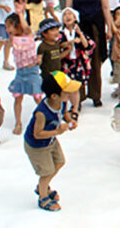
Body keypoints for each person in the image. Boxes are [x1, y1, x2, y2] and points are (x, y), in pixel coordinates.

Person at [23, 71, 79, 212]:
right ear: (54, 95)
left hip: (50, 141)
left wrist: (70, 120)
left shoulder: (61, 102)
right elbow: (38, 133)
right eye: (67, 92)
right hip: (37, 146)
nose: (70, 95)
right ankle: (43, 197)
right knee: (47, 172)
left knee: (60, 162)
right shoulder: (42, 113)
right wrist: (57, 132)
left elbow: (64, 114)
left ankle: (42, 185)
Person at [66, 0, 113, 109]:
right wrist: (69, 30)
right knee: (77, 63)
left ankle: (95, 95)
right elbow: (68, 10)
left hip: (96, 28)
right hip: (78, 29)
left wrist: (109, 27)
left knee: (95, 63)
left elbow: (105, 7)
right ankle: (78, 97)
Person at [6, 11, 44, 135]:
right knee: (18, 98)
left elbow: (27, 29)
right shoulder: (13, 40)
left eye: (9, 26)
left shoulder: (29, 36)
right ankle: (18, 122)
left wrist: (21, 14)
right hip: (20, 72)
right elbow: (7, 47)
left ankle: (46, 118)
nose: (7, 29)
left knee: (37, 97)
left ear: (18, 25)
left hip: (32, 71)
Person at [59, 7, 95, 119]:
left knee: (75, 87)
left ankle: (75, 108)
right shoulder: (60, 33)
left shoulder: (79, 32)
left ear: (75, 18)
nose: (68, 16)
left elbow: (89, 45)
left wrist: (80, 35)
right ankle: (64, 110)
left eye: (70, 14)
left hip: (78, 63)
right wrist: (69, 43)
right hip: (66, 63)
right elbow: (58, 46)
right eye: (65, 15)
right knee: (64, 88)